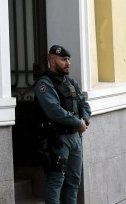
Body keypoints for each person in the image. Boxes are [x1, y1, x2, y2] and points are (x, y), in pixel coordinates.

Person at [34, 44, 91, 204]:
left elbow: (84, 104)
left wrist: (85, 120)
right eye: (63, 59)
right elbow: (54, 111)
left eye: (68, 60)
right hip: (57, 139)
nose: (68, 63)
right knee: (56, 181)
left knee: (74, 181)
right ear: (52, 61)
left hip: (75, 138)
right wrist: (78, 122)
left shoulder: (71, 82)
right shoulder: (44, 85)